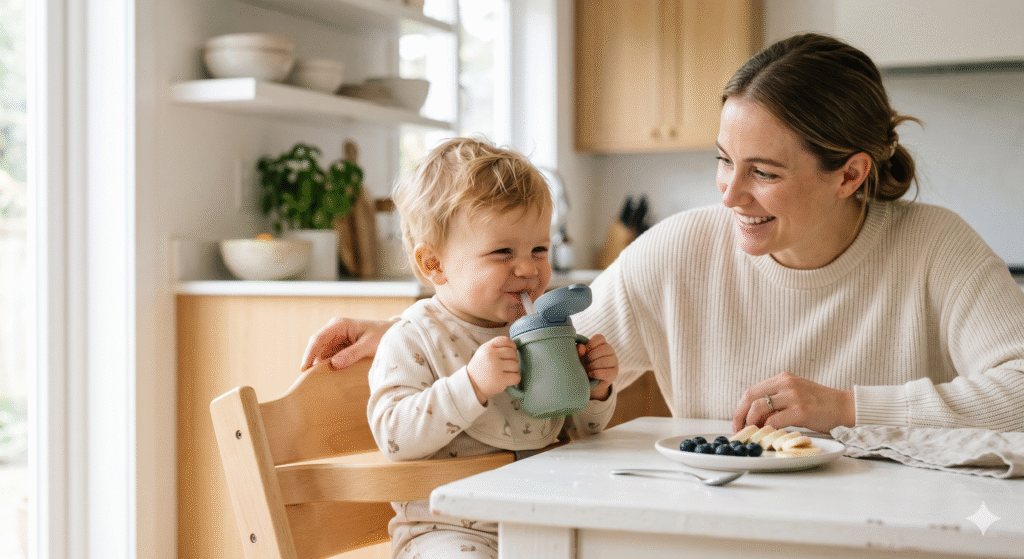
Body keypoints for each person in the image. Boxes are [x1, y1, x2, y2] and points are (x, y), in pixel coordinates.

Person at [303, 33, 1024, 436]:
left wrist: (848, 407)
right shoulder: (683, 251)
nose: (730, 195)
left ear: (848, 173)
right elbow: (550, 341)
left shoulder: (933, 247)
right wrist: (412, 326)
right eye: (722, 162)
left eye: (763, 172)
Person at [366, 137, 619, 559]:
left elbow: (581, 434)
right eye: (503, 252)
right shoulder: (412, 337)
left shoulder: (544, 328)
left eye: (539, 249)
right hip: (444, 530)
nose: (528, 268)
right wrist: (471, 385)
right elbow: (394, 437)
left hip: (541, 521)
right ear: (434, 264)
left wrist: (594, 392)